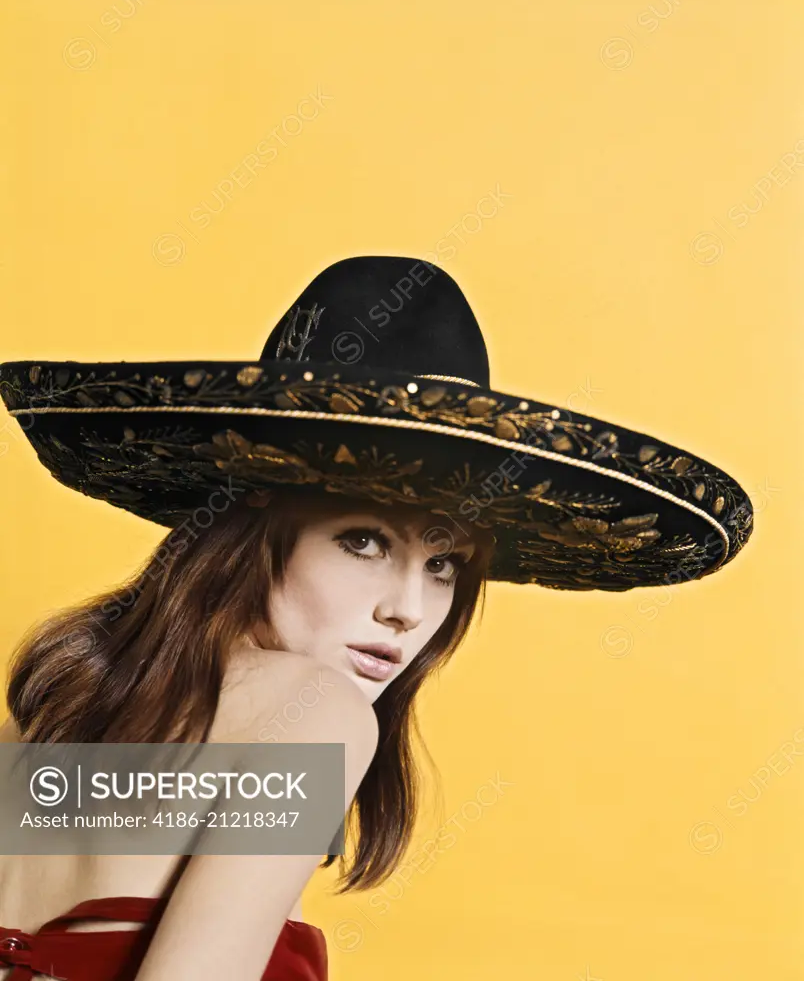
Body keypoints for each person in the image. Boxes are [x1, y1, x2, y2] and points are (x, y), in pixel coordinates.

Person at [0, 255, 753, 980]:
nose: (407, 610)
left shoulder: (49, 722)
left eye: (442, 564)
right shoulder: (314, 715)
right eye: (362, 542)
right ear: (259, 520)